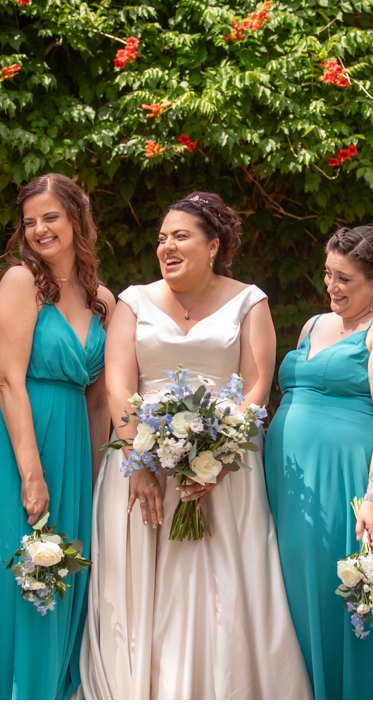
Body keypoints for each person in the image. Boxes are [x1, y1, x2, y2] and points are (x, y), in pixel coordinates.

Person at [80, 191, 309, 699]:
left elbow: (254, 387)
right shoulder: (132, 301)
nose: (167, 246)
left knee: (218, 586)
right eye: (162, 238)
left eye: (180, 236)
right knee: (140, 589)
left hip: (224, 473)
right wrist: (138, 461)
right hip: (141, 461)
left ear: (214, 245)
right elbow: (120, 386)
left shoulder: (250, 300)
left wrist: (220, 461)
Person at [0, 175, 112, 699]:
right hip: (10, 437)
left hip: (71, 440)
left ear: (76, 219)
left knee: (63, 568)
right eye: (30, 221)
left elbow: (97, 399)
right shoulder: (21, 282)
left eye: (50, 217)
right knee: (8, 567)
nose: (40, 229)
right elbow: (6, 378)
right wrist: (31, 472)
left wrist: (93, 477)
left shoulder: (102, 300)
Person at [265, 225, 373, 699]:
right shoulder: (314, 324)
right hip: (287, 481)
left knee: (335, 593)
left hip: (343, 481)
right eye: (328, 274)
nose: (331, 286)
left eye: (345, 278)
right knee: (287, 589)